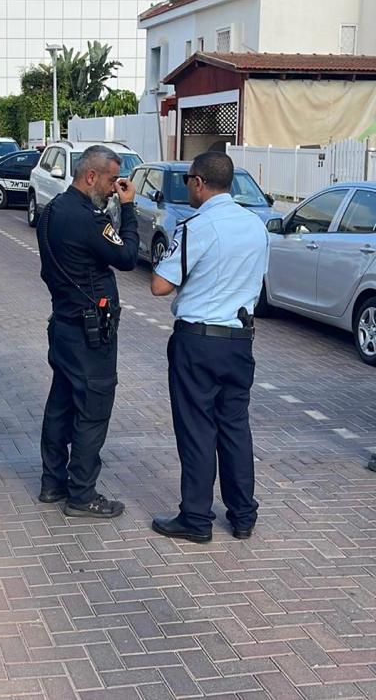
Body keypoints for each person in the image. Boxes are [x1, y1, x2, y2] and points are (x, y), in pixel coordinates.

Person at [149, 152, 269, 543]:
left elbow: (160, 285)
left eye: (188, 181)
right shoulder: (256, 226)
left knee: (197, 429)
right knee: (235, 427)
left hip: (198, 341)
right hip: (239, 340)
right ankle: (243, 516)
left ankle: (196, 519)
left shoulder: (197, 225)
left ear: (199, 182)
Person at [35, 145, 138, 518]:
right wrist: (128, 209)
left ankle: (52, 483)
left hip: (63, 325)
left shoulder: (51, 213)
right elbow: (127, 256)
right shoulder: (87, 219)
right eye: (112, 179)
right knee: (93, 410)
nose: (115, 187)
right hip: (90, 334)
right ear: (91, 176)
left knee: (61, 404)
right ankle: (81, 494)